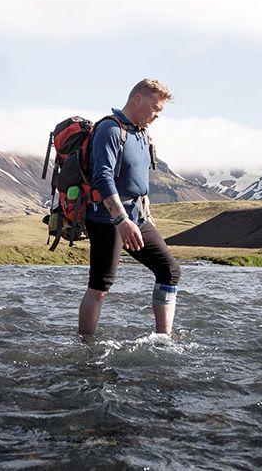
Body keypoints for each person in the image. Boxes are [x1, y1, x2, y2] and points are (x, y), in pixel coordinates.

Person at [78, 78, 181, 336]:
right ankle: (86, 344)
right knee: (100, 286)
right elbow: (102, 178)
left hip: (138, 218)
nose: (157, 115)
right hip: (107, 220)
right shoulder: (110, 131)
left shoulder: (143, 134)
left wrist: (147, 218)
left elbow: (138, 184)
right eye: (155, 108)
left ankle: (162, 339)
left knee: (169, 270)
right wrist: (121, 221)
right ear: (137, 99)